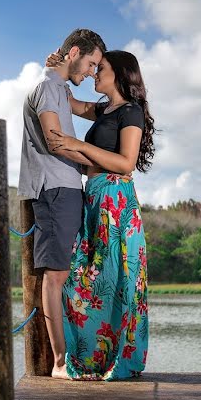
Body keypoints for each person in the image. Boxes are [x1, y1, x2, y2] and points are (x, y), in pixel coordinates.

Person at [45, 49, 156, 380]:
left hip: (115, 201)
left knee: (113, 278)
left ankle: (113, 359)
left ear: (120, 75)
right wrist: (53, 67)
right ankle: (82, 357)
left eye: (101, 69)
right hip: (94, 199)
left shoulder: (130, 111)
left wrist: (78, 145)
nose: (94, 74)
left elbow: (125, 163)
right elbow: (70, 101)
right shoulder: (104, 110)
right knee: (85, 275)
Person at [18, 28, 106, 379]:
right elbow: (55, 142)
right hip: (54, 188)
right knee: (55, 276)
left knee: (65, 273)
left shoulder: (59, 89)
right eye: (90, 63)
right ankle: (58, 363)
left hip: (67, 187)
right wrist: (99, 164)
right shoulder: (46, 88)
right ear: (74, 52)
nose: (91, 72)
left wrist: (126, 106)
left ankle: (68, 357)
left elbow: (88, 110)